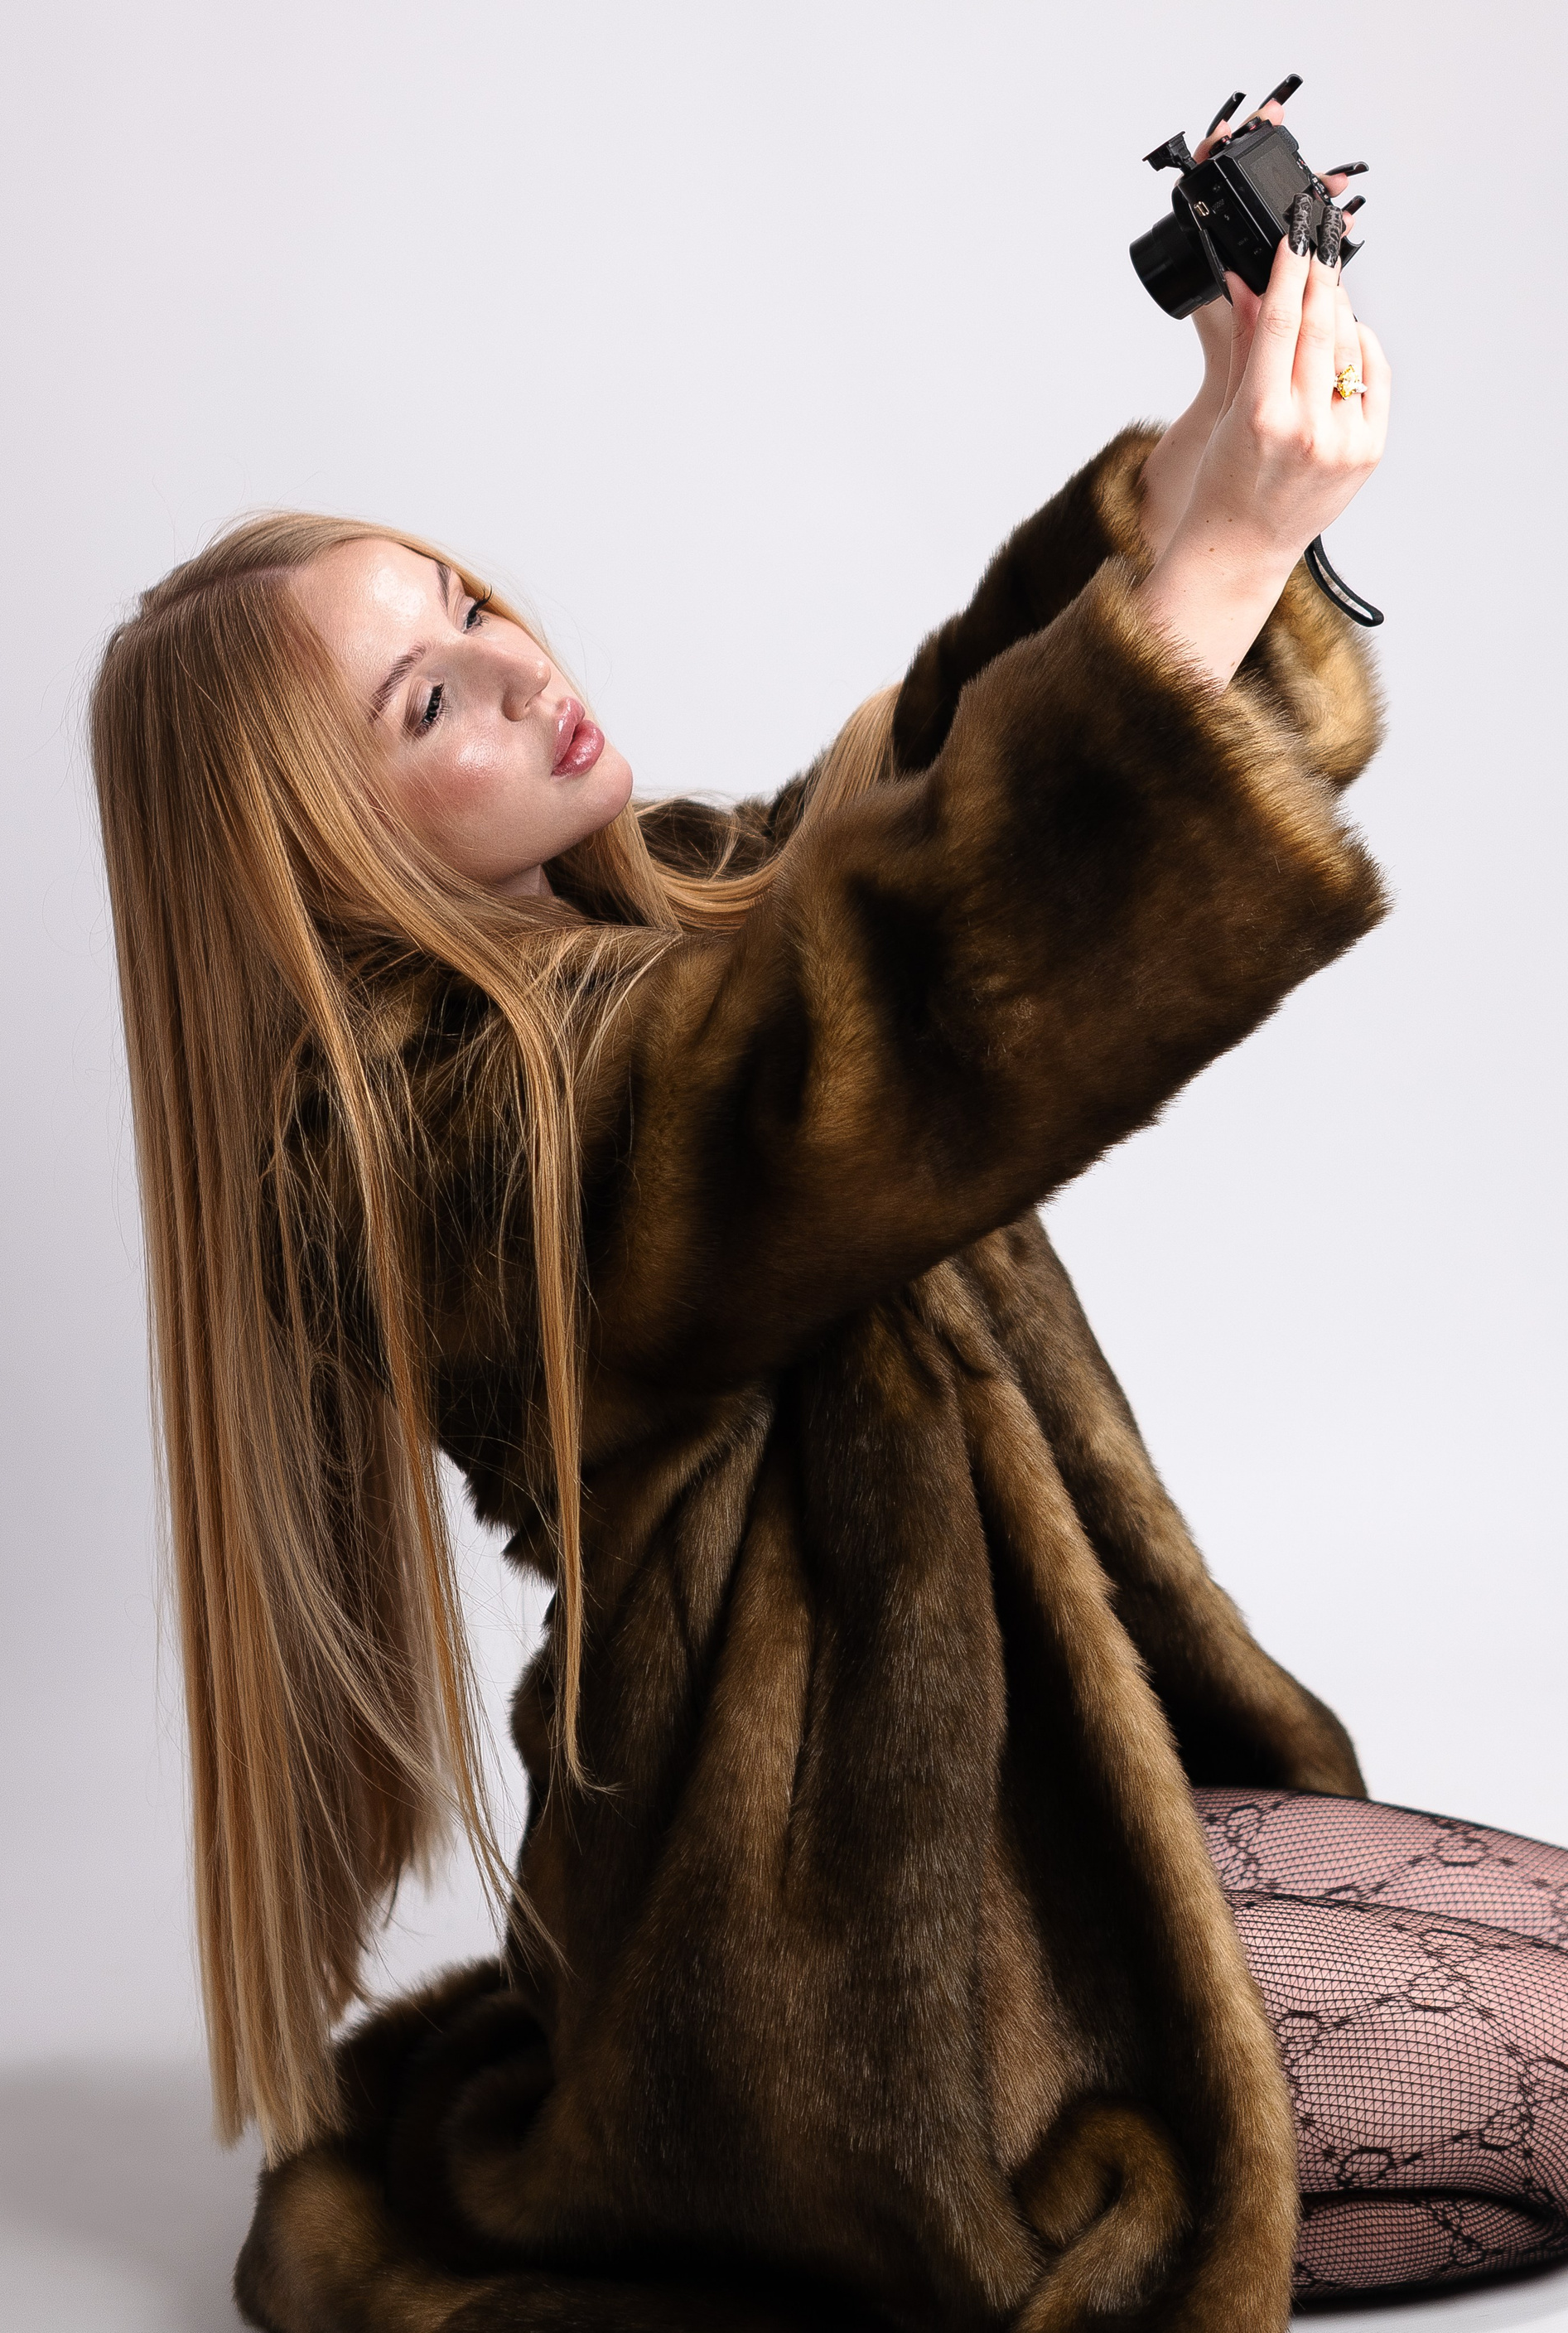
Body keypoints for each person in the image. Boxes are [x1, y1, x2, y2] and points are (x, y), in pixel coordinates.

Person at [89, 97, 1568, 2333]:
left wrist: (1203, 464)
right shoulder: (412, 1167)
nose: (522, 666)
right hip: (839, 1970)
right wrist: (1218, 565)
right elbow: (860, 1027)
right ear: (320, 850)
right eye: (428, 700)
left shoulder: (681, 909)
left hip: (1018, 1832)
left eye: (473, 605)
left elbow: (928, 793)